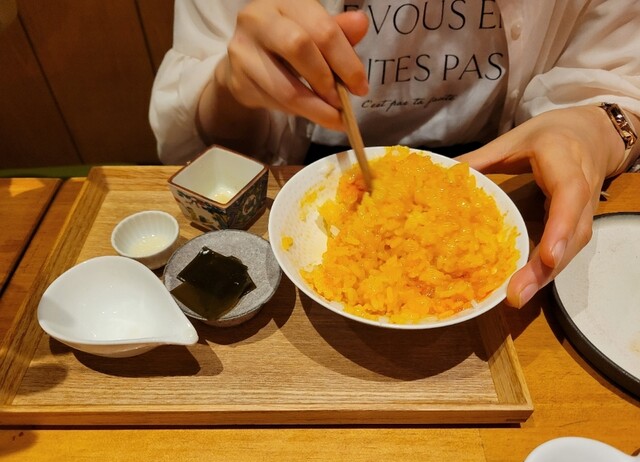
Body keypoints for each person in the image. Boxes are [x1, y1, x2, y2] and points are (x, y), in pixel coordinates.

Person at [149, 0, 640, 309]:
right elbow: (195, 138)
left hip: (504, 170)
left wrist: (595, 126)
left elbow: (618, 75)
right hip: (303, 162)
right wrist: (233, 85)